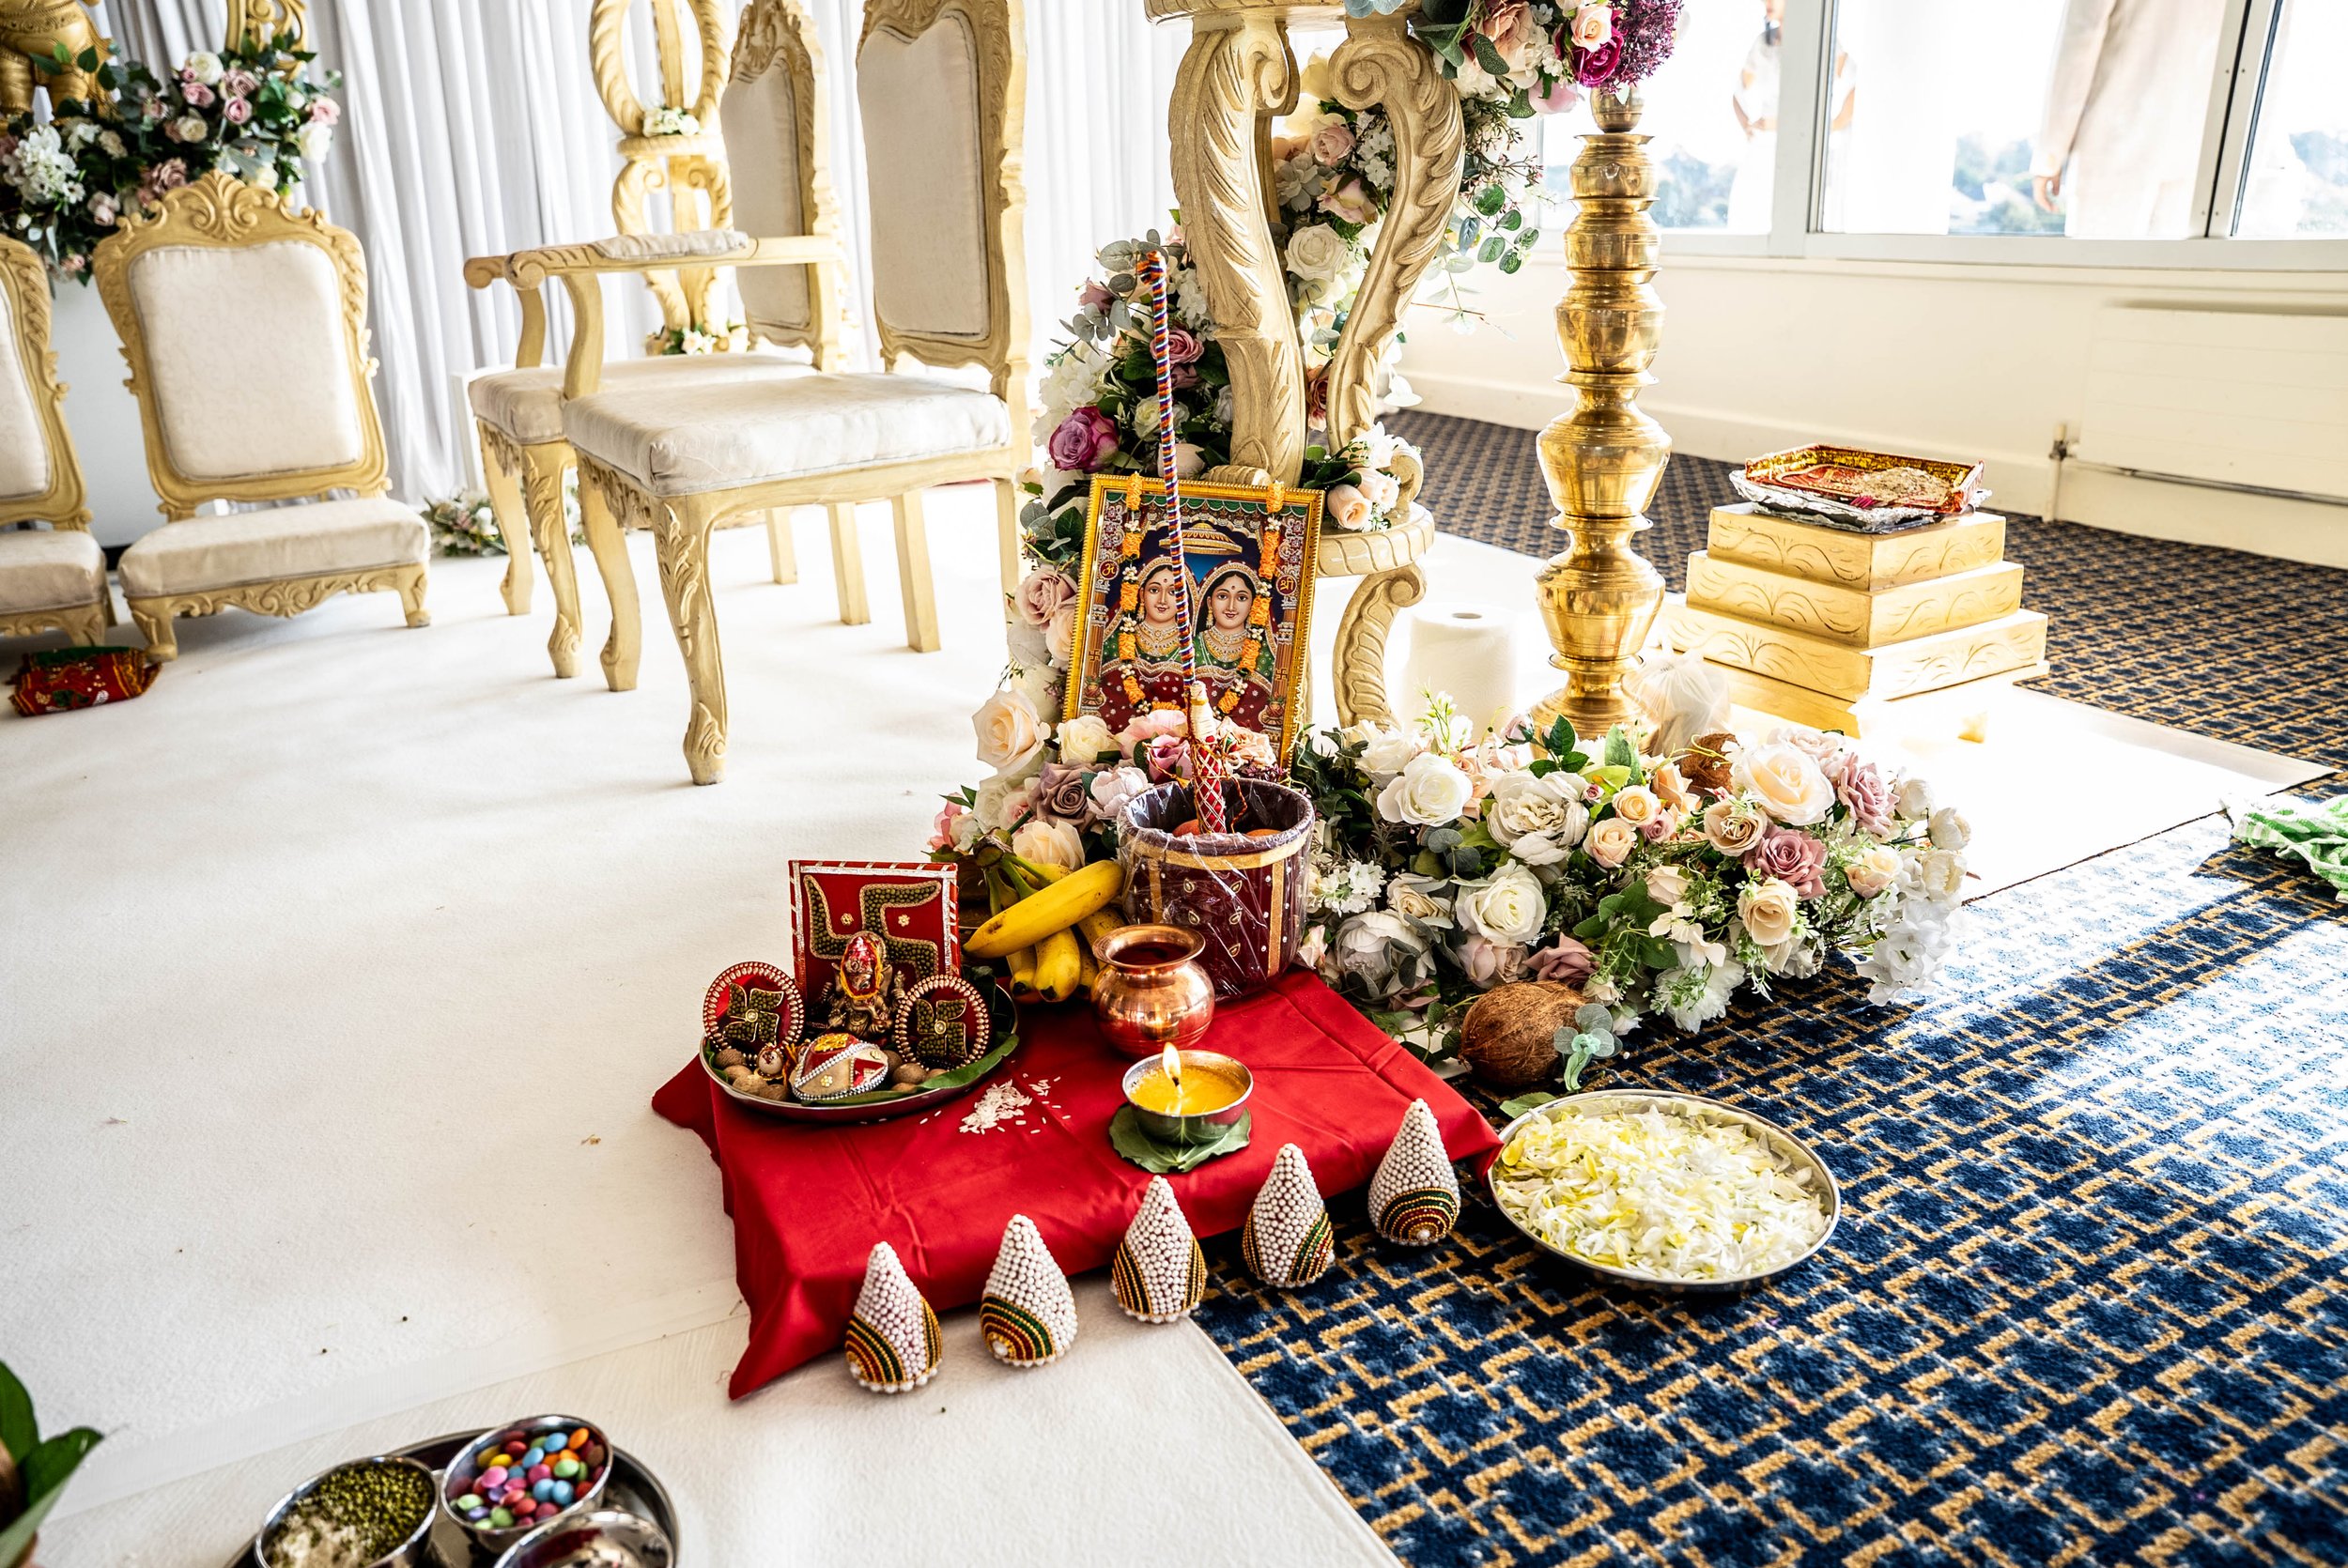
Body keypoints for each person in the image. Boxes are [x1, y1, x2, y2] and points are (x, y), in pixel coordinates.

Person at [2031, 0, 2224, 239]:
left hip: (2115, 144)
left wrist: (2052, 153)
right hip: (2197, 150)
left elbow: (2082, 34)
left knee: (2100, 269)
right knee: (2171, 272)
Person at [1096, 557, 1192, 734]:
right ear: (1141, 594)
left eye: (1173, 592)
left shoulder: (1196, 650)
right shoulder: (1113, 642)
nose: (1163, 600)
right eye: (1155, 590)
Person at [1192, 561, 1278, 733]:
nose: (1231, 606)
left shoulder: (1266, 654)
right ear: (1209, 602)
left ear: (1253, 605)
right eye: (1223, 596)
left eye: (1242, 598)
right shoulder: (1191, 647)